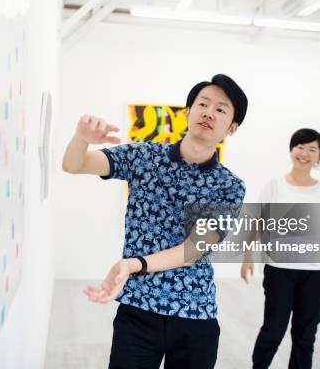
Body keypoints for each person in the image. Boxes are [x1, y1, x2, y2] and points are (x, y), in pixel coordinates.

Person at [62, 74, 248, 369]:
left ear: (232, 128)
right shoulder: (144, 155)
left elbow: (192, 251)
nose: (209, 112)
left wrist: (133, 264)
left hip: (195, 314)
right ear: (188, 113)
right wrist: (82, 138)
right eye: (203, 103)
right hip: (137, 311)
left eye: (221, 109)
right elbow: (74, 165)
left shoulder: (229, 186)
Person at [241, 128, 320, 369]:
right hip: (279, 270)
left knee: (305, 336)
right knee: (273, 330)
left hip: (314, 273)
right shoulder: (275, 185)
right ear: (291, 150)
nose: (304, 153)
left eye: (312, 149)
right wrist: (247, 256)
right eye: (300, 147)